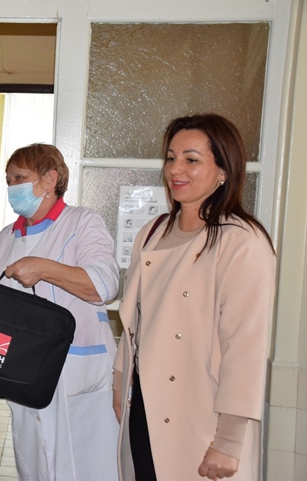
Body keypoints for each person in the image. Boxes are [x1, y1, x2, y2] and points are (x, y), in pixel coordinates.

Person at [112, 114, 276, 481]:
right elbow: (134, 322)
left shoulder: (241, 242)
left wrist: (229, 441)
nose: (175, 169)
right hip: (145, 407)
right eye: (171, 158)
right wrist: (119, 383)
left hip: (204, 413)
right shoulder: (153, 232)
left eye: (191, 159)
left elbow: (245, 349)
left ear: (224, 171)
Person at [0, 143, 120, 480]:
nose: (12, 186)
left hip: (75, 368)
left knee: (84, 467)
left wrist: (44, 268)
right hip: (22, 369)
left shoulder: (81, 221)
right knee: (35, 465)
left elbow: (104, 285)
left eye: (20, 177)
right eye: (8, 180)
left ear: (50, 179)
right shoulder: (6, 237)